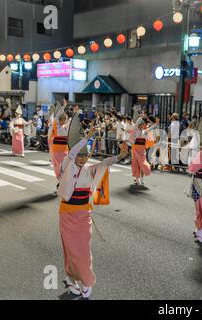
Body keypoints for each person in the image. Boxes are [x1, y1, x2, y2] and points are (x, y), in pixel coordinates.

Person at [58, 116, 128, 299]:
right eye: (79, 155)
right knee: (70, 250)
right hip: (66, 214)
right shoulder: (67, 167)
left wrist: (120, 156)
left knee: (82, 250)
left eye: (85, 155)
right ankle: (72, 279)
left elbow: (106, 163)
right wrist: (86, 137)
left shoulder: (90, 169)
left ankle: (86, 281)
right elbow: (70, 154)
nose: (81, 158)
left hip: (83, 215)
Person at [129, 118, 151, 186]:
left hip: (142, 150)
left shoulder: (144, 131)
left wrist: (146, 139)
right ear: (138, 124)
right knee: (136, 164)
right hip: (135, 149)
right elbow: (130, 140)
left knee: (143, 164)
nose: (142, 126)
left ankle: (142, 179)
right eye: (141, 124)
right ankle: (137, 179)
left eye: (143, 125)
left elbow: (147, 140)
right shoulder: (134, 131)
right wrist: (135, 142)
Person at [50, 106, 71, 180]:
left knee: (66, 165)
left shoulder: (67, 126)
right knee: (58, 166)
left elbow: (72, 121)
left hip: (65, 150)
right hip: (56, 150)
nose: (64, 121)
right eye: (62, 120)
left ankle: (62, 180)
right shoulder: (56, 126)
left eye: (65, 120)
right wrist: (63, 107)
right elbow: (56, 118)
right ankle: (60, 180)